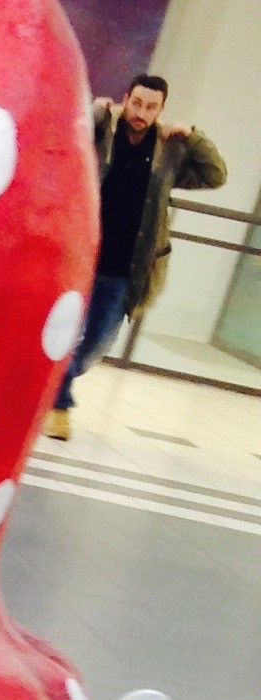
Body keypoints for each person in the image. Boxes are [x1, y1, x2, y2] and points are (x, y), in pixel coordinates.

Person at [46, 70, 225, 438]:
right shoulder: (102, 132)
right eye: (138, 103)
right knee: (62, 333)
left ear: (161, 109)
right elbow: (63, 137)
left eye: (151, 107)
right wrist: (96, 113)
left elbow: (215, 176)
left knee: (95, 344)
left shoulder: (169, 151)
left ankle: (46, 386)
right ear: (126, 98)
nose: (142, 112)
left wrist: (194, 135)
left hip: (125, 269)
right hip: (79, 258)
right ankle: (59, 406)